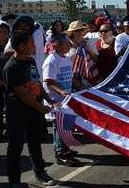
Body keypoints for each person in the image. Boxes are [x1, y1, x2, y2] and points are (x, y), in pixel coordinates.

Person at [4, 30, 57, 187]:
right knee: (15, 147)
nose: (35, 45)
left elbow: (37, 83)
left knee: (35, 143)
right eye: (31, 43)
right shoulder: (11, 68)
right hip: (18, 113)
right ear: (21, 46)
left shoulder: (30, 61)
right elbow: (23, 95)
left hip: (34, 111)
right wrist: (42, 108)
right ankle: (14, 181)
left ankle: (40, 173)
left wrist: (48, 99)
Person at [42, 33, 81, 166]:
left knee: (66, 124)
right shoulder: (51, 61)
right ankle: (60, 153)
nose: (69, 45)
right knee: (58, 126)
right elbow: (49, 82)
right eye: (66, 43)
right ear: (56, 45)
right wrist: (61, 92)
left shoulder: (65, 58)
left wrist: (82, 88)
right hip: (56, 99)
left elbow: (71, 78)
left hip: (65, 99)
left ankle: (65, 148)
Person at [5, 16, 46, 80]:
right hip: (20, 71)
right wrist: (20, 51)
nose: (23, 31)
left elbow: (32, 50)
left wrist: (18, 50)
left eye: (26, 27)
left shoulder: (37, 33)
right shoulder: (16, 35)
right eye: (21, 28)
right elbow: (6, 52)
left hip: (38, 71)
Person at [66, 21, 93, 88]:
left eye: (82, 30)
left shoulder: (85, 44)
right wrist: (81, 87)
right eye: (77, 31)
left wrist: (87, 49)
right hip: (72, 83)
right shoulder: (66, 46)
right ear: (72, 33)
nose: (80, 33)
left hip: (85, 81)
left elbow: (95, 59)